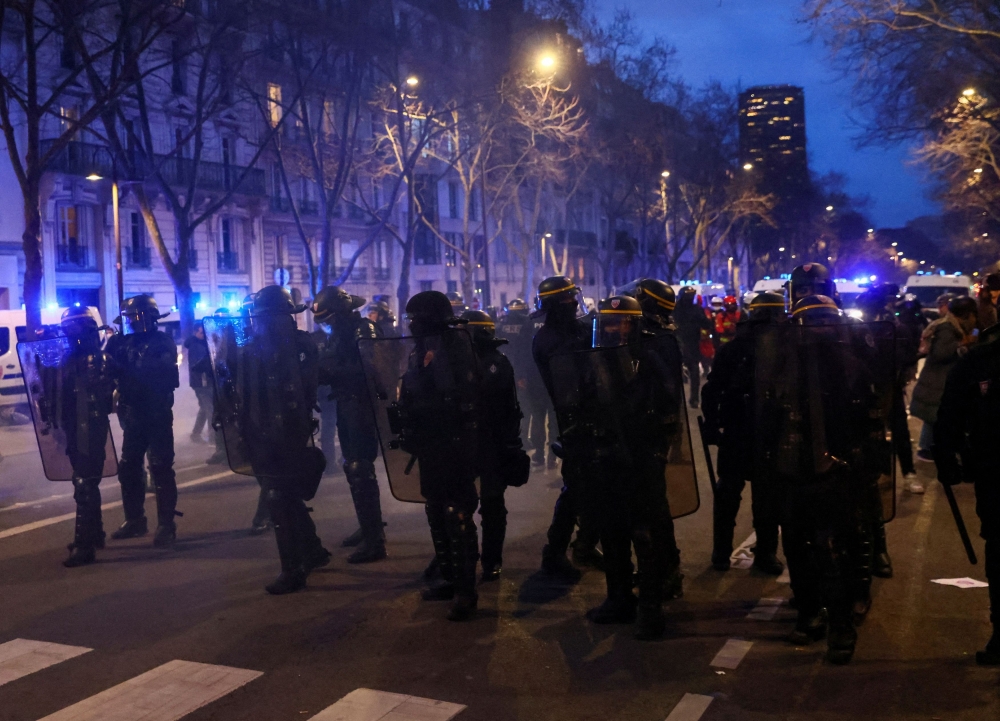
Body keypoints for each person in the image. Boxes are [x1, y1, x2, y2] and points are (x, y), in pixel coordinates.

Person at [764, 295, 887, 664]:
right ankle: (808, 612)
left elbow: (871, 419)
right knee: (798, 549)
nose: (818, 329)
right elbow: (767, 414)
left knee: (836, 551)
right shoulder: (780, 363)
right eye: (810, 322)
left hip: (837, 472)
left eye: (824, 321)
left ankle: (841, 625)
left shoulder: (852, 365)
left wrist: (860, 460)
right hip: (792, 469)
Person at [234, 286, 329, 594]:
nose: (259, 323)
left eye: (263, 318)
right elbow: (240, 387)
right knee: (284, 495)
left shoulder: (299, 346)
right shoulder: (250, 348)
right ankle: (313, 550)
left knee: (279, 497)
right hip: (259, 431)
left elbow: (300, 387)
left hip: (288, 430)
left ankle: (294, 569)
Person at [399, 291, 481, 621]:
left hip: (454, 444)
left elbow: (451, 393)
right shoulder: (422, 348)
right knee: (436, 509)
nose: (412, 325)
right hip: (430, 443)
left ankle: (465, 590)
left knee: (456, 515)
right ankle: (448, 578)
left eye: (416, 319)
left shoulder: (454, 346)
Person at [701, 292, 786, 576]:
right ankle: (732, 553)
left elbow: (710, 391)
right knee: (747, 495)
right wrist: (712, 425)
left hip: (757, 431)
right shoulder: (738, 349)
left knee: (756, 496)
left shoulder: (782, 348)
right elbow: (713, 390)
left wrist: (714, 425)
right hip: (746, 430)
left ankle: (751, 553)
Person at [26, 308, 116, 567]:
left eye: (77, 329)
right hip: (73, 428)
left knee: (84, 483)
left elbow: (100, 391)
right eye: (69, 329)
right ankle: (95, 533)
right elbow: (53, 387)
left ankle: (84, 546)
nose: (72, 335)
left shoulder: (96, 359)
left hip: (90, 426)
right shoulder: (68, 358)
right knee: (86, 482)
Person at [934, 323, 1000, 665]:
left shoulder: (980, 358)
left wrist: (946, 453)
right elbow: (952, 412)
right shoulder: (980, 359)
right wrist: (946, 454)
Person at [628, 280, 690, 638]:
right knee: (653, 512)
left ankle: (654, 596)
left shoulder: (656, 340)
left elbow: (661, 392)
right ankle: (667, 572)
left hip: (646, 435)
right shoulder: (657, 336)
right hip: (641, 436)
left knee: (646, 519)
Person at [532, 276, 603, 580]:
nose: (574, 303)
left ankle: (586, 545)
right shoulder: (550, 340)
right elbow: (570, 387)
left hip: (597, 419)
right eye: (568, 299)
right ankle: (555, 553)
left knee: (596, 489)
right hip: (576, 424)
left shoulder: (579, 330)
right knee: (576, 489)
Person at [311, 286, 387, 564]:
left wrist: (332, 372)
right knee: (352, 466)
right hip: (345, 402)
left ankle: (375, 540)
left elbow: (372, 367)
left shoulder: (362, 329)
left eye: (329, 319)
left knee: (359, 467)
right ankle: (369, 527)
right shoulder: (336, 334)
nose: (326, 325)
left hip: (363, 404)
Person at [105, 295, 180, 546]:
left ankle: (166, 524)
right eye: (129, 319)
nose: (133, 323)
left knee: (160, 467)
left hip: (156, 413)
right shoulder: (122, 343)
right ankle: (135, 520)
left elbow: (160, 375)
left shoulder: (162, 342)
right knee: (128, 467)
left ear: (149, 317)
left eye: (136, 318)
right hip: (133, 415)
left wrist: (125, 371)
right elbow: (106, 366)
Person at [461, 310, 527, 582]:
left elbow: (507, 408)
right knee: (458, 505)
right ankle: (460, 558)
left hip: (489, 443)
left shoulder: (496, 363)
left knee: (491, 503)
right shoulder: (455, 361)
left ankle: (491, 560)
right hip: (464, 443)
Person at [911, 296, 978, 463]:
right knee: (934, 417)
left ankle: (930, 447)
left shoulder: (951, 326)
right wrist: (963, 344)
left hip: (938, 381)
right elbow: (941, 353)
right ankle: (926, 449)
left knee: (935, 416)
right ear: (965, 314)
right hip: (938, 381)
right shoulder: (947, 328)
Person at [675, 286, 714, 408]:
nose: (690, 298)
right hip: (678, 345)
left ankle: (694, 399)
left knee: (694, 372)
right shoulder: (675, 310)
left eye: (692, 295)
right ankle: (678, 400)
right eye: (688, 295)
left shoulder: (697, 310)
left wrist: (706, 320)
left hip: (692, 345)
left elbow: (707, 324)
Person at [183, 324, 214, 444]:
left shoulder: (198, 344)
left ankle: (196, 434)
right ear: (196, 333)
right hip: (202, 382)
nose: (204, 335)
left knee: (205, 408)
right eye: (201, 333)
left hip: (201, 382)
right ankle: (213, 438)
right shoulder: (197, 346)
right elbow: (200, 365)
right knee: (210, 409)